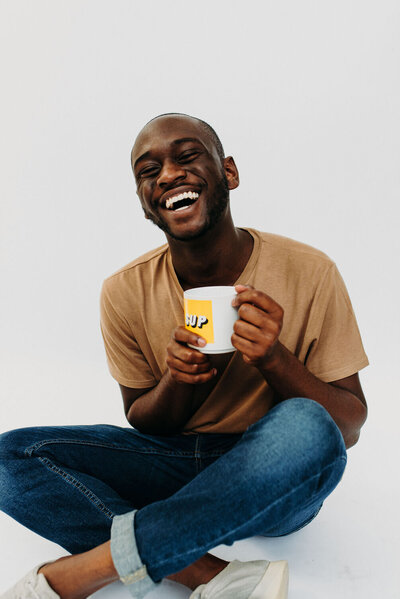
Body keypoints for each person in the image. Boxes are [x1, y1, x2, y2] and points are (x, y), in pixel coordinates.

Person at [0, 113, 369, 599]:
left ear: (229, 173)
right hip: (178, 460)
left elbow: (347, 427)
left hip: (275, 468)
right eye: (148, 171)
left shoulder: (310, 270)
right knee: (10, 457)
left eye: (187, 156)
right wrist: (178, 381)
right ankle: (212, 575)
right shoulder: (123, 290)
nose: (168, 175)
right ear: (145, 203)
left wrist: (275, 360)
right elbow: (144, 423)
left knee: (307, 423)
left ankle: (89, 571)